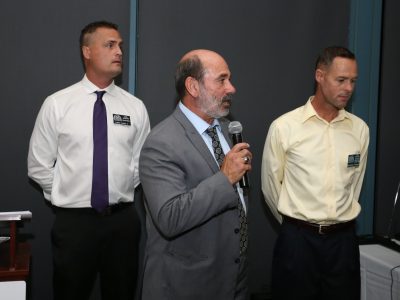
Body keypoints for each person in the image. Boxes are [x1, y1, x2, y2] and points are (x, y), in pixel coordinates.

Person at [27, 21, 150, 300]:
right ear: (87, 51)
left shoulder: (135, 107)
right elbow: (38, 165)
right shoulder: (58, 104)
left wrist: (115, 192)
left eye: (120, 45)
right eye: (110, 45)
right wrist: (65, 192)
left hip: (122, 223)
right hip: (74, 226)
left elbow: (141, 164)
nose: (119, 51)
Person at [139, 49, 252, 300]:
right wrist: (225, 178)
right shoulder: (161, 142)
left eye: (229, 79)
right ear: (193, 86)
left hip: (234, 277)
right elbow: (170, 217)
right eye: (222, 80)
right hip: (186, 286)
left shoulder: (225, 130)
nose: (231, 88)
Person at [261, 46, 369, 300]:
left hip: (343, 244)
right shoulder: (285, 127)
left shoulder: (360, 130)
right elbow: (270, 187)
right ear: (320, 76)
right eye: (341, 80)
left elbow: (355, 185)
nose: (348, 88)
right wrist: (298, 225)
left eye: (353, 81)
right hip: (298, 243)